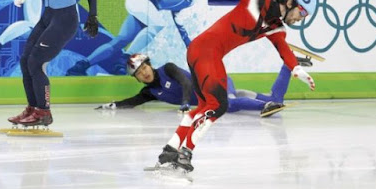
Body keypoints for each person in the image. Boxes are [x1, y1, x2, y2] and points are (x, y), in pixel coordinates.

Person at [154, 0, 317, 172]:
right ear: (290, 1)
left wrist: (297, 69)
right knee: (219, 105)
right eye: (301, 13)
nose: (300, 19)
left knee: (205, 105)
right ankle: (185, 152)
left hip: (207, 53)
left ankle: (170, 150)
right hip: (206, 51)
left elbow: (284, 49)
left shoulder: (276, 27)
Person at [66, 0, 202, 76]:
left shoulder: (186, 2)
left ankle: (82, 65)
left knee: (121, 40)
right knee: (157, 25)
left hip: (145, 8)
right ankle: (125, 59)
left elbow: (179, 24)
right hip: (139, 0)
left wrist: (189, 45)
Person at [96, 53, 304, 115]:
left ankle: (264, 107)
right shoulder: (151, 91)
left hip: (214, 81)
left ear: (150, 65)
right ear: (138, 79)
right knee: (274, 99)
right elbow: (133, 101)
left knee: (228, 105)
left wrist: (185, 103)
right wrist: (113, 105)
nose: (144, 73)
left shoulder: (167, 68)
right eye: (140, 74)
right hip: (214, 93)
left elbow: (186, 82)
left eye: (144, 68)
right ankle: (288, 65)